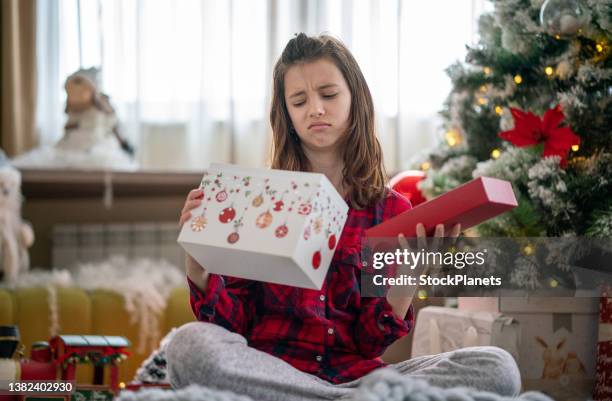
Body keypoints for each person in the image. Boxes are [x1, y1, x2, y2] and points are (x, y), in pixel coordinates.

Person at [167, 33, 520, 401]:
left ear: (355, 100)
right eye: (299, 101)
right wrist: (199, 270)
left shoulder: (393, 211)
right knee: (188, 346)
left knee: (497, 367)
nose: (315, 109)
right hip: (275, 371)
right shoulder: (260, 198)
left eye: (329, 95)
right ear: (286, 115)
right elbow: (231, 328)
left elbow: (368, 344)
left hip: (360, 380)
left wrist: (405, 286)